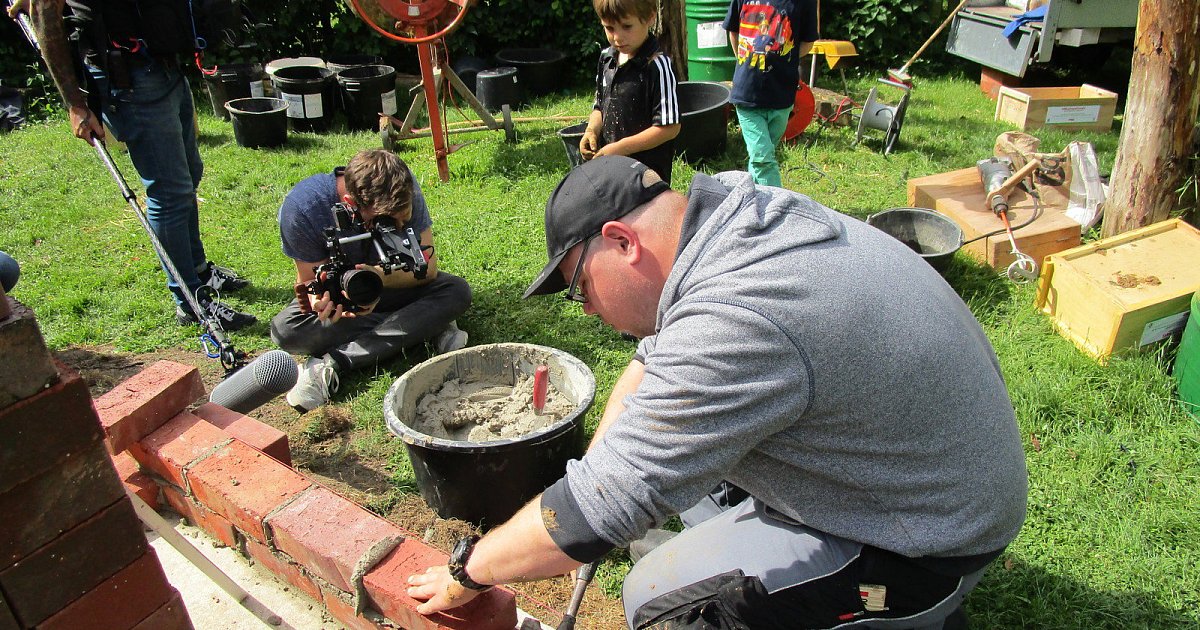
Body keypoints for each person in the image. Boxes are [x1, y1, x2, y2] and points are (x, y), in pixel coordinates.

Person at [405, 156, 1028, 629]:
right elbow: (651, 361)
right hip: (911, 469)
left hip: (927, 542)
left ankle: (905, 615)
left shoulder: (737, 316)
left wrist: (468, 569)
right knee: (678, 492)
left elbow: (598, 512)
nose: (587, 309)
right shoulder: (729, 214)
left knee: (657, 603)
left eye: (579, 288)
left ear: (623, 242)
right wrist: (606, 466)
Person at [12, 0, 256, 330]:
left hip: (166, 67)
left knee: (189, 175)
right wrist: (75, 104)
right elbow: (45, 16)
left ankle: (198, 270)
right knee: (169, 194)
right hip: (131, 79)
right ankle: (190, 300)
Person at [272, 149, 472, 413]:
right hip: (345, 301)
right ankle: (423, 324)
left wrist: (378, 277)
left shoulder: (404, 188)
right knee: (287, 330)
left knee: (456, 292)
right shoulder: (304, 209)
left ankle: (339, 359)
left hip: (394, 284)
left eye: (404, 219)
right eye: (386, 222)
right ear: (350, 203)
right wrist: (325, 301)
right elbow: (310, 281)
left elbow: (428, 269)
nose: (398, 227)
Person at [579, 0, 681, 184]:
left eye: (627, 27)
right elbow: (599, 107)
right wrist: (591, 130)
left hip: (647, 177)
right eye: (609, 28)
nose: (617, 37)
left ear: (650, 17)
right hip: (611, 169)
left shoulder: (658, 66)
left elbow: (670, 127)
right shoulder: (606, 58)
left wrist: (621, 148)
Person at [723, 0, 819, 187]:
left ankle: (752, 196)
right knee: (762, 158)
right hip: (747, 93)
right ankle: (778, 201)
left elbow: (807, 42)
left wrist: (783, 59)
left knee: (761, 156)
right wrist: (745, 60)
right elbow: (733, 31)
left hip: (782, 94)